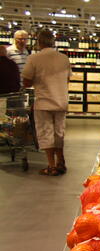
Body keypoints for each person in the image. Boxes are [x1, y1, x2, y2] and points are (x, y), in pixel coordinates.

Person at [21, 29, 71, 176]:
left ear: (39, 42)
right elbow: (67, 79)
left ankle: (51, 165)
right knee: (59, 132)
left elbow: (26, 81)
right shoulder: (64, 58)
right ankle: (61, 162)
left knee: (46, 133)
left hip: (44, 101)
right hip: (61, 100)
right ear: (53, 41)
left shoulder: (34, 58)